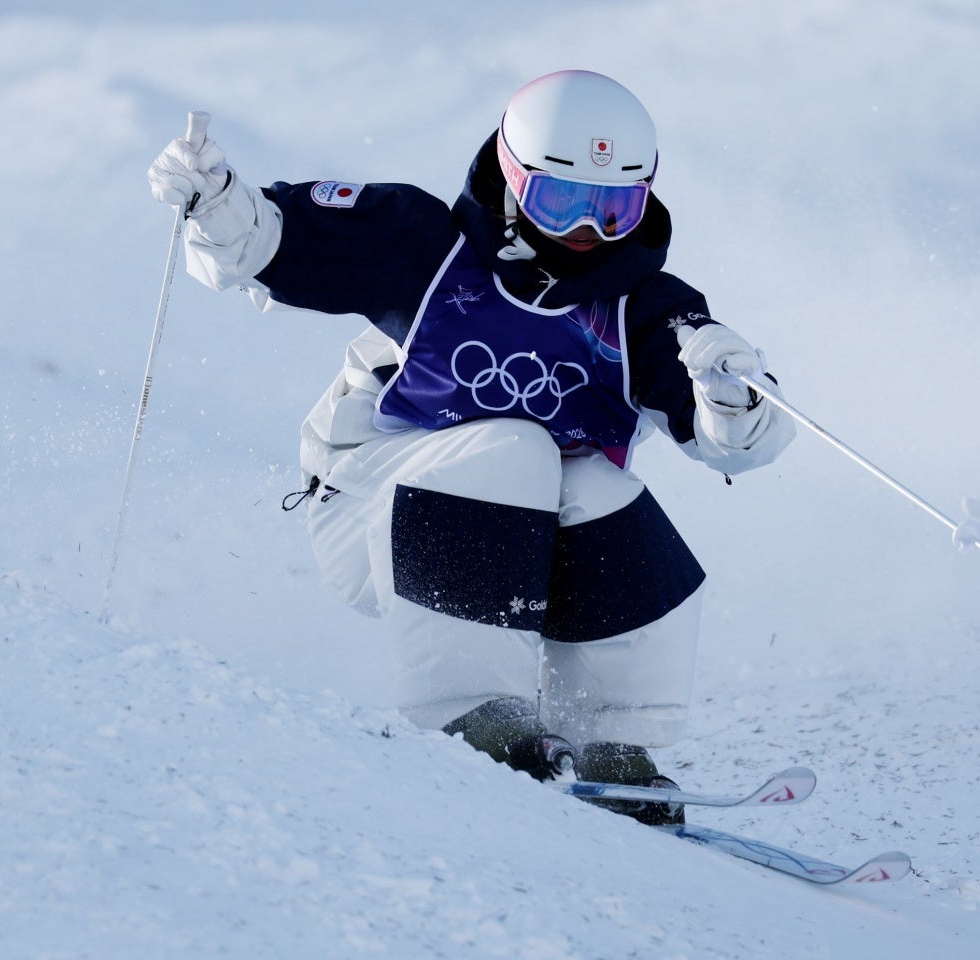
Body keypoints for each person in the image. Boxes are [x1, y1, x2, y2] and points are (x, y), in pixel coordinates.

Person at [147, 69, 794, 823]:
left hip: (517, 548)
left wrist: (731, 398)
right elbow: (269, 241)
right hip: (369, 510)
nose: (587, 232)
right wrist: (217, 204)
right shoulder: (424, 246)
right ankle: (470, 710)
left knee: (601, 487)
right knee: (516, 448)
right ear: (514, 179)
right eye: (563, 202)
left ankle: (608, 740)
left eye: (615, 209)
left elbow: (734, 442)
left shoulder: (647, 312)